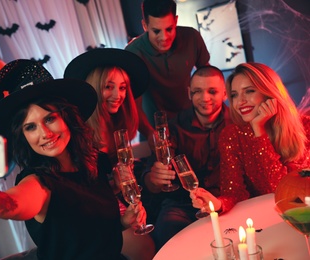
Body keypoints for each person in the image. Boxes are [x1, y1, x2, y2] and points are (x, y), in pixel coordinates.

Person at [0, 60, 147, 260]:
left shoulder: (92, 162)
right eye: (30, 127)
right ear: (23, 137)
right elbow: (9, 205)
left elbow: (89, 235)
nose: (45, 133)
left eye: (50, 118)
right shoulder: (38, 183)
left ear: (66, 117)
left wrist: (122, 223)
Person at [64, 48, 155, 260]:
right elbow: (81, 191)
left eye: (122, 88)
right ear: (94, 88)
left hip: (117, 203)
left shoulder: (116, 125)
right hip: (95, 213)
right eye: (108, 87)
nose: (118, 95)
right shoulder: (79, 134)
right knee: (145, 248)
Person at [192, 62, 310, 215]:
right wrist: (217, 203)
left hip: (301, 214)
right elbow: (234, 193)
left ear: (269, 92)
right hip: (260, 217)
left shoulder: (305, 127)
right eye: (234, 95)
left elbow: (287, 194)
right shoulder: (231, 136)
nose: (240, 102)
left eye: (249, 91)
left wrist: (259, 134)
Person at [141, 65, 231, 250]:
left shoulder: (237, 123)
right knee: (168, 236)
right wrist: (154, 178)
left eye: (212, 91)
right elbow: (150, 181)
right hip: (181, 206)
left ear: (225, 94)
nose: (205, 98)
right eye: (198, 91)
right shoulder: (172, 128)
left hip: (227, 201)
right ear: (189, 93)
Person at [125, 0, 210, 147]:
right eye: (156, 31)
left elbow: (208, 77)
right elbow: (133, 106)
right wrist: (150, 133)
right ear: (145, 26)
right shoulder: (132, 54)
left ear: (176, 20)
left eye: (169, 29)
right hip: (154, 131)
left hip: (193, 124)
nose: (164, 38)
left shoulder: (192, 37)